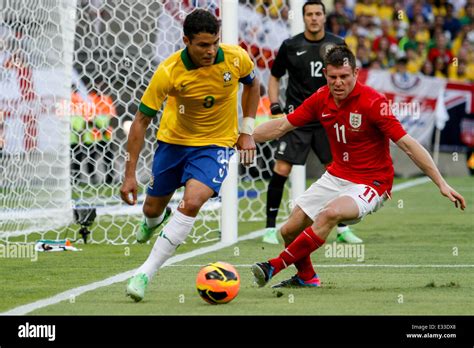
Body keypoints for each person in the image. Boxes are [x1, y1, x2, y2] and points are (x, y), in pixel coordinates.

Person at [251, 45, 466, 288]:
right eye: (333, 77)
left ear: (355, 73)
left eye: (344, 77)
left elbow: (408, 144)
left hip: (372, 182)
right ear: (325, 74)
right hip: (336, 175)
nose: (338, 83)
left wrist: (441, 183)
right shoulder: (321, 98)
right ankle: (306, 277)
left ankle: (273, 266)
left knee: (330, 213)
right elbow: (281, 127)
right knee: (288, 230)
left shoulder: (374, 103)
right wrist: (244, 137)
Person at [120, 9, 260, 302]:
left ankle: (145, 272)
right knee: (151, 209)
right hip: (173, 144)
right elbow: (141, 121)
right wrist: (130, 174)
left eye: (215, 43)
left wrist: (247, 129)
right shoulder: (169, 71)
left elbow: (252, 84)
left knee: (193, 200)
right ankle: (153, 221)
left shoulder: (236, 58)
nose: (211, 51)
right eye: (203, 45)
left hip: (216, 145)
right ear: (186, 40)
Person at [263, 0, 362, 244]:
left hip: (328, 120)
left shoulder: (337, 44)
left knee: (337, 172)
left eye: (318, 13)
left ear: (324, 17)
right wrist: (275, 106)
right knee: (281, 170)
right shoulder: (290, 45)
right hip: (298, 119)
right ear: (303, 17)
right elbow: (274, 77)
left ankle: (342, 229)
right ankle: (269, 228)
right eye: (309, 14)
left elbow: (349, 80)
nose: (314, 18)